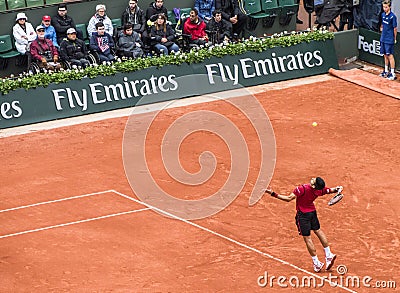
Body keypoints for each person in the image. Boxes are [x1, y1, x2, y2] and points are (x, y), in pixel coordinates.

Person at [265, 177, 342, 272]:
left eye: (314, 180)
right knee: (318, 231)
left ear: (314, 185)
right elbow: (329, 190)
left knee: (307, 238)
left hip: (303, 216)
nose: (313, 178)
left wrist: (273, 193)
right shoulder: (319, 190)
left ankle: (316, 263)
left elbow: (288, 199)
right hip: (312, 213)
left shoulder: (302, 189)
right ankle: (329, 254)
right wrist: (337, 189)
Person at [379, 0, 397, 81]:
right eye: (383, 7)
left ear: (389, 7)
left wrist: (394, 38)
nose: (384, 8)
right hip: (383, 38)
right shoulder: (382, 15)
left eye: (386, 7)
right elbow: (382, 24)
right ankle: (386, 71)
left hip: (389, 39)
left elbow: (395, 28)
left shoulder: (393, 16)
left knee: (390, 55)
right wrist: (381, 27)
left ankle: (392, 73)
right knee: (385, 55)